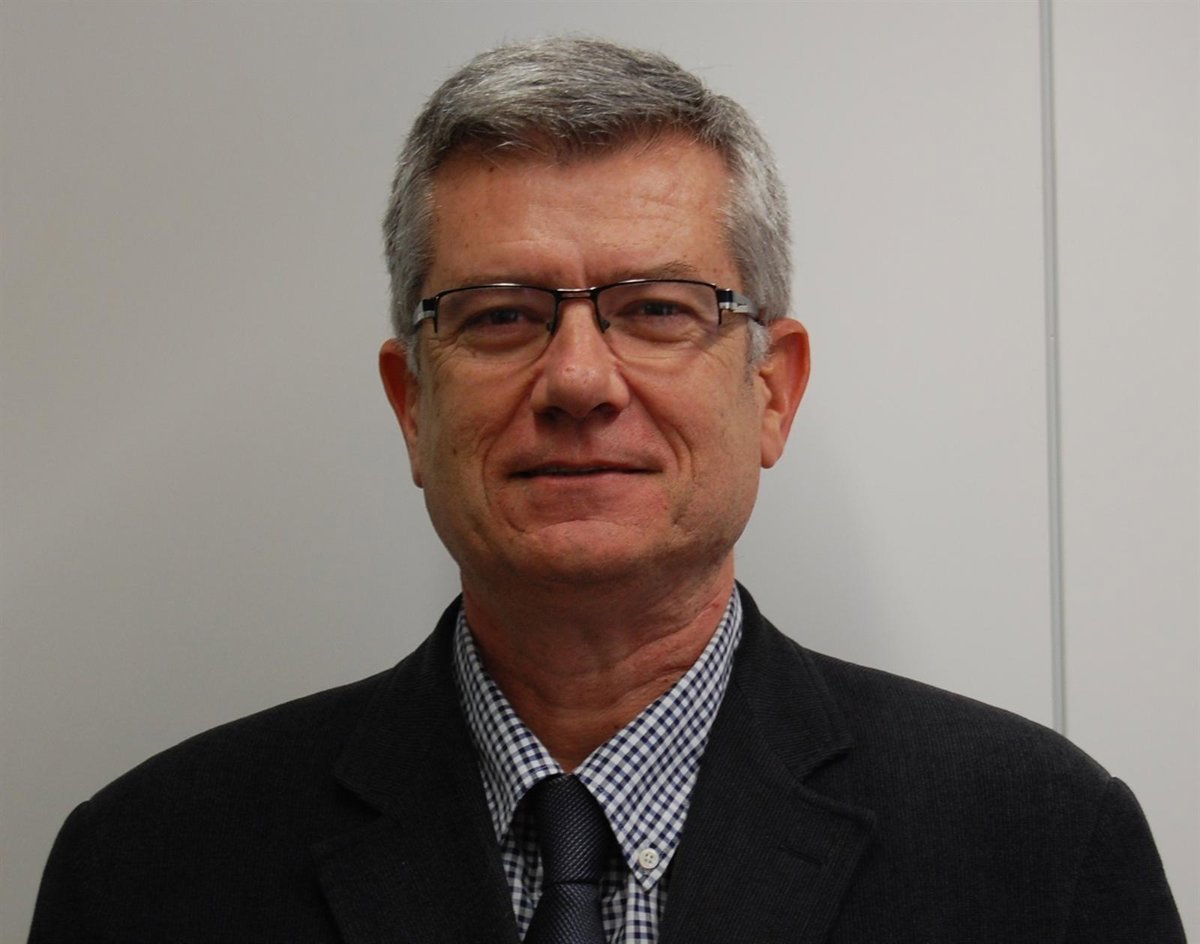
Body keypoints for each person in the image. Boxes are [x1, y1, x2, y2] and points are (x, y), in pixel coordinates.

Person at [29, 36, 1183, 944]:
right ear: (411, 403)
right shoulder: (146, 868)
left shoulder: (1039, 846)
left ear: (772, 391)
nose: (579, 380)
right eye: (499, 315)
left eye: (658, 309)